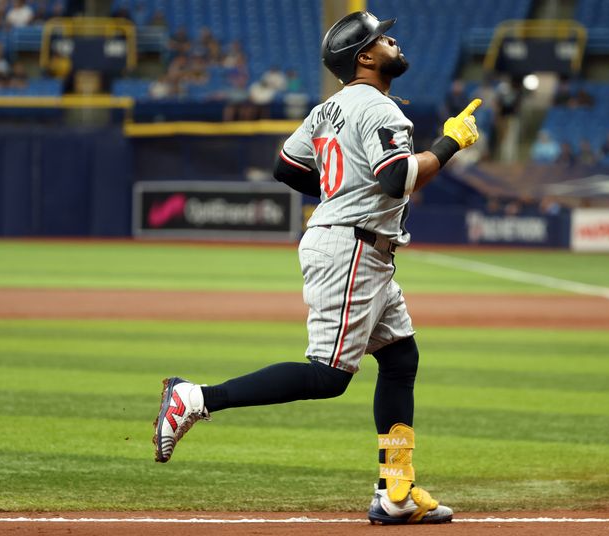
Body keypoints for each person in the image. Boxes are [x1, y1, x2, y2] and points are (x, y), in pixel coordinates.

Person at [152, 10, 479, 525]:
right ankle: (195, 398)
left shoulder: (328, 110)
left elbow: (287, 165)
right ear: (365, 57)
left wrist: (339, 191)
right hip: (351, 247)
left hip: (355, 243)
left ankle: (395, 492)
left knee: (400, 359)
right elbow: (397, 180)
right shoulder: (382, 110)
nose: (393, 41)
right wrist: (450, 143)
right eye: (382, 38)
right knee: (327, 376)